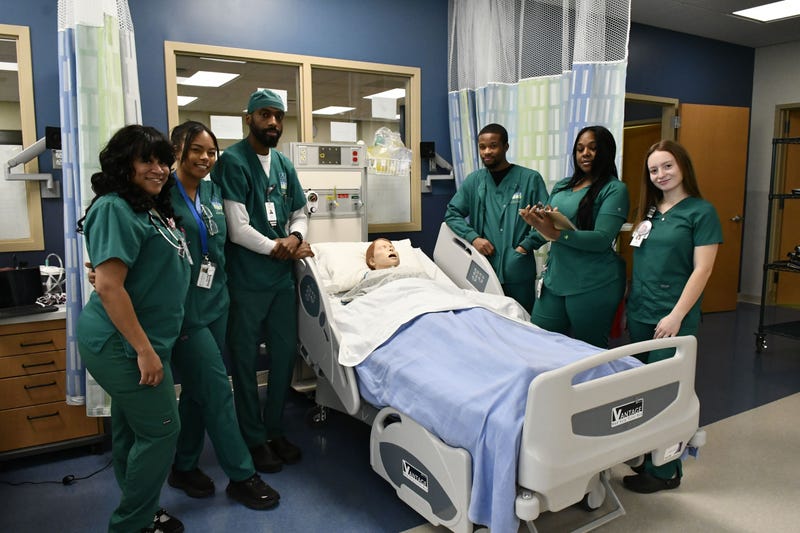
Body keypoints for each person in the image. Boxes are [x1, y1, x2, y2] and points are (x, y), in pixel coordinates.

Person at [76, 125, 189, 533]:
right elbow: (109, 287)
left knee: (130, 429)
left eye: (163, 161)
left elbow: (128, 270)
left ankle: (142, 508)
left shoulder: (149, 206)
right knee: (161, 431)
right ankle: (131, 524)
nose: (158, 169)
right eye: (147, 160)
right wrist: (144, 350)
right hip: (121, 342)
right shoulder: (114, 208)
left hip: (146, 337)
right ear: (125, 165)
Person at [164, 121, 280, 509]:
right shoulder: (161, 195)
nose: (205, 158)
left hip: (216, 302)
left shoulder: (213, 191)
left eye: (211, 151)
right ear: (177, 150)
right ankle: (242, 475)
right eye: (196, 149)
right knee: (216, 388)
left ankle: (183, 466)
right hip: (183, 310)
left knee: (197, 390)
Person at [211, 89, 310, 474]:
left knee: (284, 356)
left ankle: (274, 430)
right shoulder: (233, 162)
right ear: (248, 118)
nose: (272, 122)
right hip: (247, 281)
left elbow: (299, 211)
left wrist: (295, 237)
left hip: (281, 282)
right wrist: (278, 247)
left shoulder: (283, 165)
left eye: (278, 116)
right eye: (265, 114)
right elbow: (237, 227)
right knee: (245, 360)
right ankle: (253, 438)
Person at [622, 139, 721, 494]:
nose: (660, 174)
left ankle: (666, 471)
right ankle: (645, 455)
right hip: (641, 310)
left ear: (682, 167)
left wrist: (677, 315)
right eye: (653, 170)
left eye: (667, 166)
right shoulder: (649, 212)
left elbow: (703, 269)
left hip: (673, 315)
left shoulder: (701, 212)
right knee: (641, 388)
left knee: (666, 392)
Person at [519, 125, 628, 348]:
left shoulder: (614, 189)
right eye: (580, 149)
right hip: (556, 278)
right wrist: (533, 230)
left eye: (592, 148)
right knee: (539, 343)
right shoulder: (563, 186)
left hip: (593, 282)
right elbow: (550, 225)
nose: (585, 154)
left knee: (590, 352)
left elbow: (602, 239)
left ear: (606, 151)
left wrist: (557, 235)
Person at [444, 123, 548, 313]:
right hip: (483, 266)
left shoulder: (529, 179)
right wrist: (474, 238)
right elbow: (452, 213)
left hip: (517, 268)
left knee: (522, 320)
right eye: (482, 147)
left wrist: (525, 246)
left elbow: (547, 222)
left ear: (505, 146)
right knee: (486, 318)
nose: (487, 152)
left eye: (493, 146)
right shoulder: (474, 181)